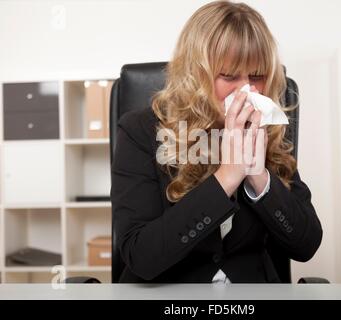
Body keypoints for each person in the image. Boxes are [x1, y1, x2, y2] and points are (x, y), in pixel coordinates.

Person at [111, 0, 322, 283]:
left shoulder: (264, 130)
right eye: (229, 76)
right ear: (195, 75)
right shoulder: (140, 131)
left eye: (256, 76)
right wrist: (227, 177)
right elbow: (140, 256)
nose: (246, 89)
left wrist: (259, 178)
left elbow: (306, 245)